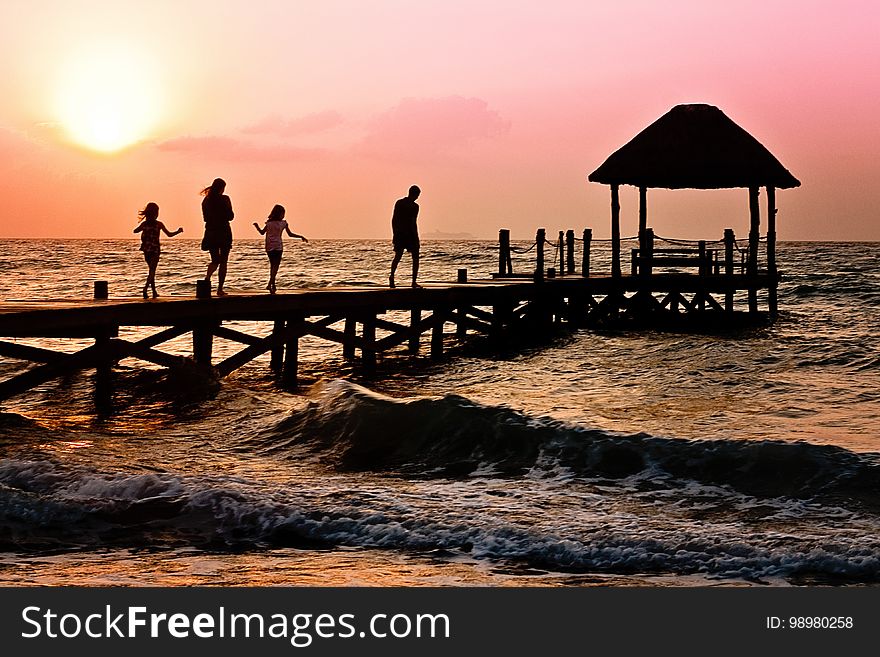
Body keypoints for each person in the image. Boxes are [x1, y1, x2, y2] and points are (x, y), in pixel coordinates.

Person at [253, 204, 308, 294]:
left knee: (272, 265)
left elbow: (262, 233)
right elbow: (290, 234)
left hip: (269, 246)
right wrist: (300, 236)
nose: (284, 215)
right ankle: (270, 283)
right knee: (276, 266)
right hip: (278, 246)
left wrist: (257, 227)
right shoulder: (283, 223)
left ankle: (273, 284)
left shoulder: (269, 223)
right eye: (283, 213)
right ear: (280, 214)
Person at [133, 202, 183, 299]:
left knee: (151, 270)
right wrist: (178, 231)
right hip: (155, 250)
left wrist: (143, 229)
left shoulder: (144, 224)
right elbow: (169, 235)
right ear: (156, 213)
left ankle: (154, 291)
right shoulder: (159, 224)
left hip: (146, 249)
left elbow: (135, 231)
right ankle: (145, 288)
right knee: (152, 270)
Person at [200, 177, 234, 296]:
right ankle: (219, 289)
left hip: (211, 232)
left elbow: (205, 218)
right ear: (222, 188)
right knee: (223, 261)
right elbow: (231, 216)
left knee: (215, 260)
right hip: (224, 231)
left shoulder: (206, 201)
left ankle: (207, 278)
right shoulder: (225, 199)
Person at [389, 185, 421, 288]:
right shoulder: (409, 205)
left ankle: (394, 277)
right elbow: (412, 222)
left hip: (404, 234)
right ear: (415, 194)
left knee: (401, 256)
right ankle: (411, 281)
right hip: (406, 234)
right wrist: (416, 237)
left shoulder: (403, 203)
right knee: (409, 256)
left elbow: (395, 220)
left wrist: (395, 233)